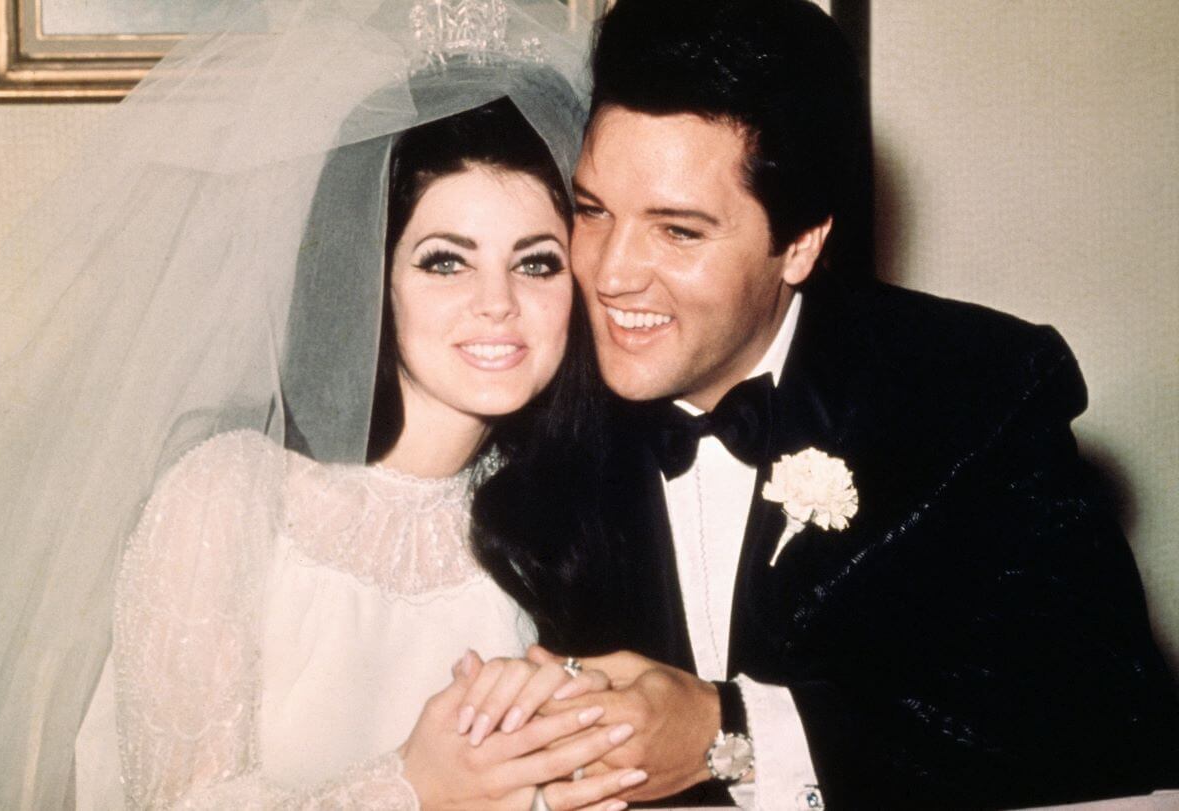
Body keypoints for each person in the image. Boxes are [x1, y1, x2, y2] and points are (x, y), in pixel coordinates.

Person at [472, 0, 1179, 808]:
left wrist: (729, 732)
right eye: (593, 210)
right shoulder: (528, 394)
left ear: (801, 242)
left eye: (677, 232)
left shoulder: (976, 394)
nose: (608, 274)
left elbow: (1113, 725)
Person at [0, 1, 638, 808]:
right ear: (369, 276)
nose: (496, 303)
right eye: (444, 262)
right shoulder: (232, 497)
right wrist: (411, 788)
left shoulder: (570, 510)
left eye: (535, 264)